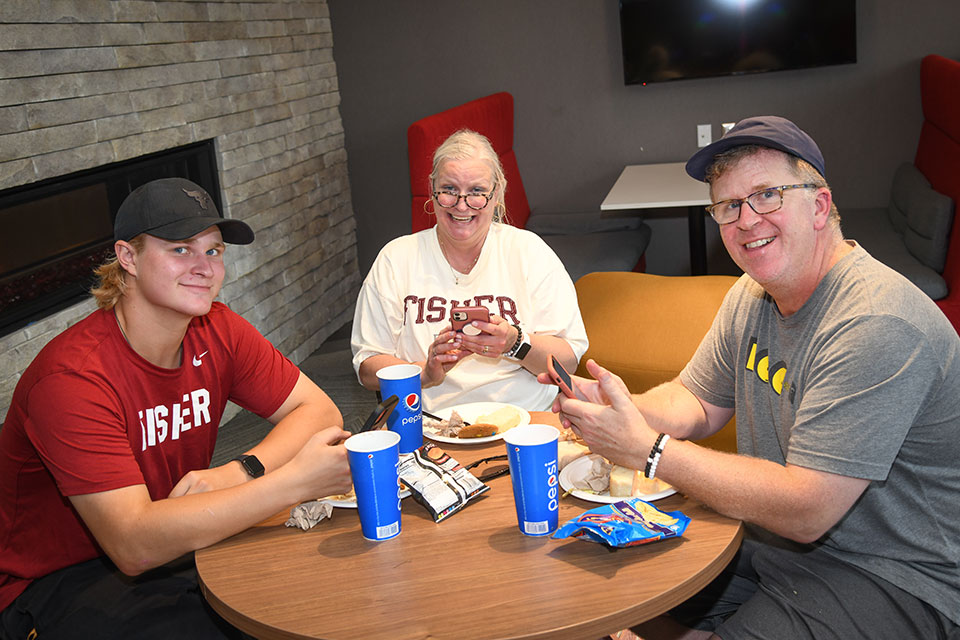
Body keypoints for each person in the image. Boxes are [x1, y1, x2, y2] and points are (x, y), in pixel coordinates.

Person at [548, 117, 960, 639]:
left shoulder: (875, 323)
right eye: (728, 205)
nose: (746, 220)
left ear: (819, 205)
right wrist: (624, 411)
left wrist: (649, 451)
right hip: (777, 543)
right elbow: (697, 402)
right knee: (609, 578)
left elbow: (807, 508)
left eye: (767, 195)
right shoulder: (753, 292)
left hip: (896, 575)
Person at [0, 178, 353, 639]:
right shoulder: (72, 379)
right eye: (181, 250)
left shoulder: (216, 327)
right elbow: (132, 544)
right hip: (58, 578)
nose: (205, 268)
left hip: (173, 534)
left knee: (311, 590)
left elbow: (319, 411)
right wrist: (292, 482)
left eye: (214, 251)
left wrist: (242, 471)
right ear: (128, 258)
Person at [351, 129, 589, 411]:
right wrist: (425, 373)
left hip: (526, 417)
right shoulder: (396, 259)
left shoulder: (529, 252)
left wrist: (515, 342)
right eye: (449, 190)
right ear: (431, 189)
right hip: (431, 423)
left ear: (497, 193)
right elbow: (368, 368)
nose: (461, 206)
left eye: (476, 192)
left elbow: (568, 360)